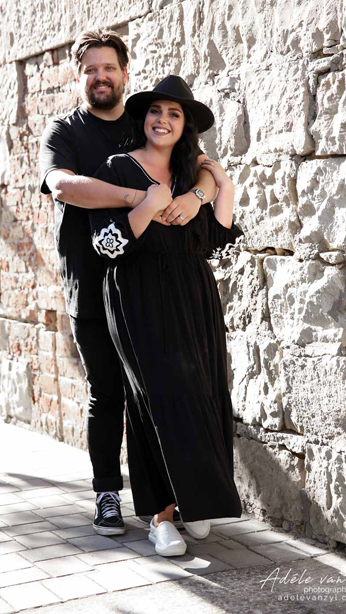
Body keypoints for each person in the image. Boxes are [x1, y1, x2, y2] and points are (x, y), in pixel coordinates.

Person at [39, 29, 219, 536]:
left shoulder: (144, 121)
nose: (100, 77)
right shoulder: (65, 131)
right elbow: (61, 185)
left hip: (150, 285)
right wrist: (138, 197)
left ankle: (174, 500)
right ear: (79, 77)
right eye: (90, 70)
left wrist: (198, 196)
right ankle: (106, 494)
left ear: (124, 73)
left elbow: (199, 167)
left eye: (109, 68)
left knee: (160, 390)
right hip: (90, 278)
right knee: (107, 391)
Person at [88, 75, 243, 556]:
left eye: (174, 114)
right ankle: (160, 517)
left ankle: (195, 501)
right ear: (143, 118)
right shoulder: (118, 167)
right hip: (137, 298)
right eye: (156, 111)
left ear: (185, 126)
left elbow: (214, 241)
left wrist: (220, 186)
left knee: (203, 391)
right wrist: (147, 205)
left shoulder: (190, 177)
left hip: (193, 296)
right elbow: (104, 246)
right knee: (157, 399)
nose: (163, 120)